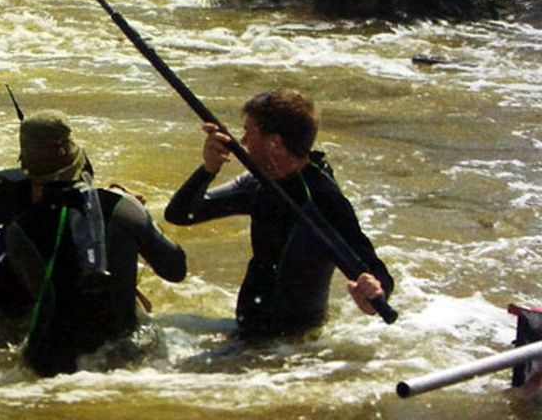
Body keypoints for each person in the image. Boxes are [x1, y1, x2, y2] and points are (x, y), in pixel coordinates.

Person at [164, 89, 394, 340]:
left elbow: (374, 272)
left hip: (292, 349)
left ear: (274, 142)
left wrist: (372, 296)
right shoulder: (257, 184)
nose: (243, 141)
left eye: (249, 132)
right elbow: (180, 214)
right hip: (249, 334)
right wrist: (208, 169)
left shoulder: (322, 198)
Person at [3, 110, 187, 376]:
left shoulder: (18, 229)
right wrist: (138, 212)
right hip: (126, 360)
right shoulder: (123, 208)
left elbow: (19, 296)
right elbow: (176, 269)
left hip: (53, 364)